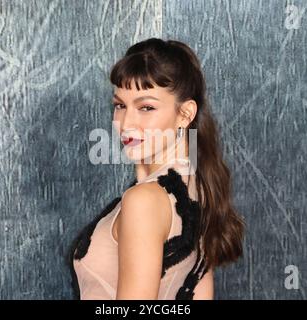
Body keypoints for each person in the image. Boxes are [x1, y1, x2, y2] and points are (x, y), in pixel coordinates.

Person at [68, 38, 245, 300]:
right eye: (120, 105)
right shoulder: (200, 187)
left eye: (146, 107)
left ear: (185, 114)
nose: (126, 123)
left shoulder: (144, 200)